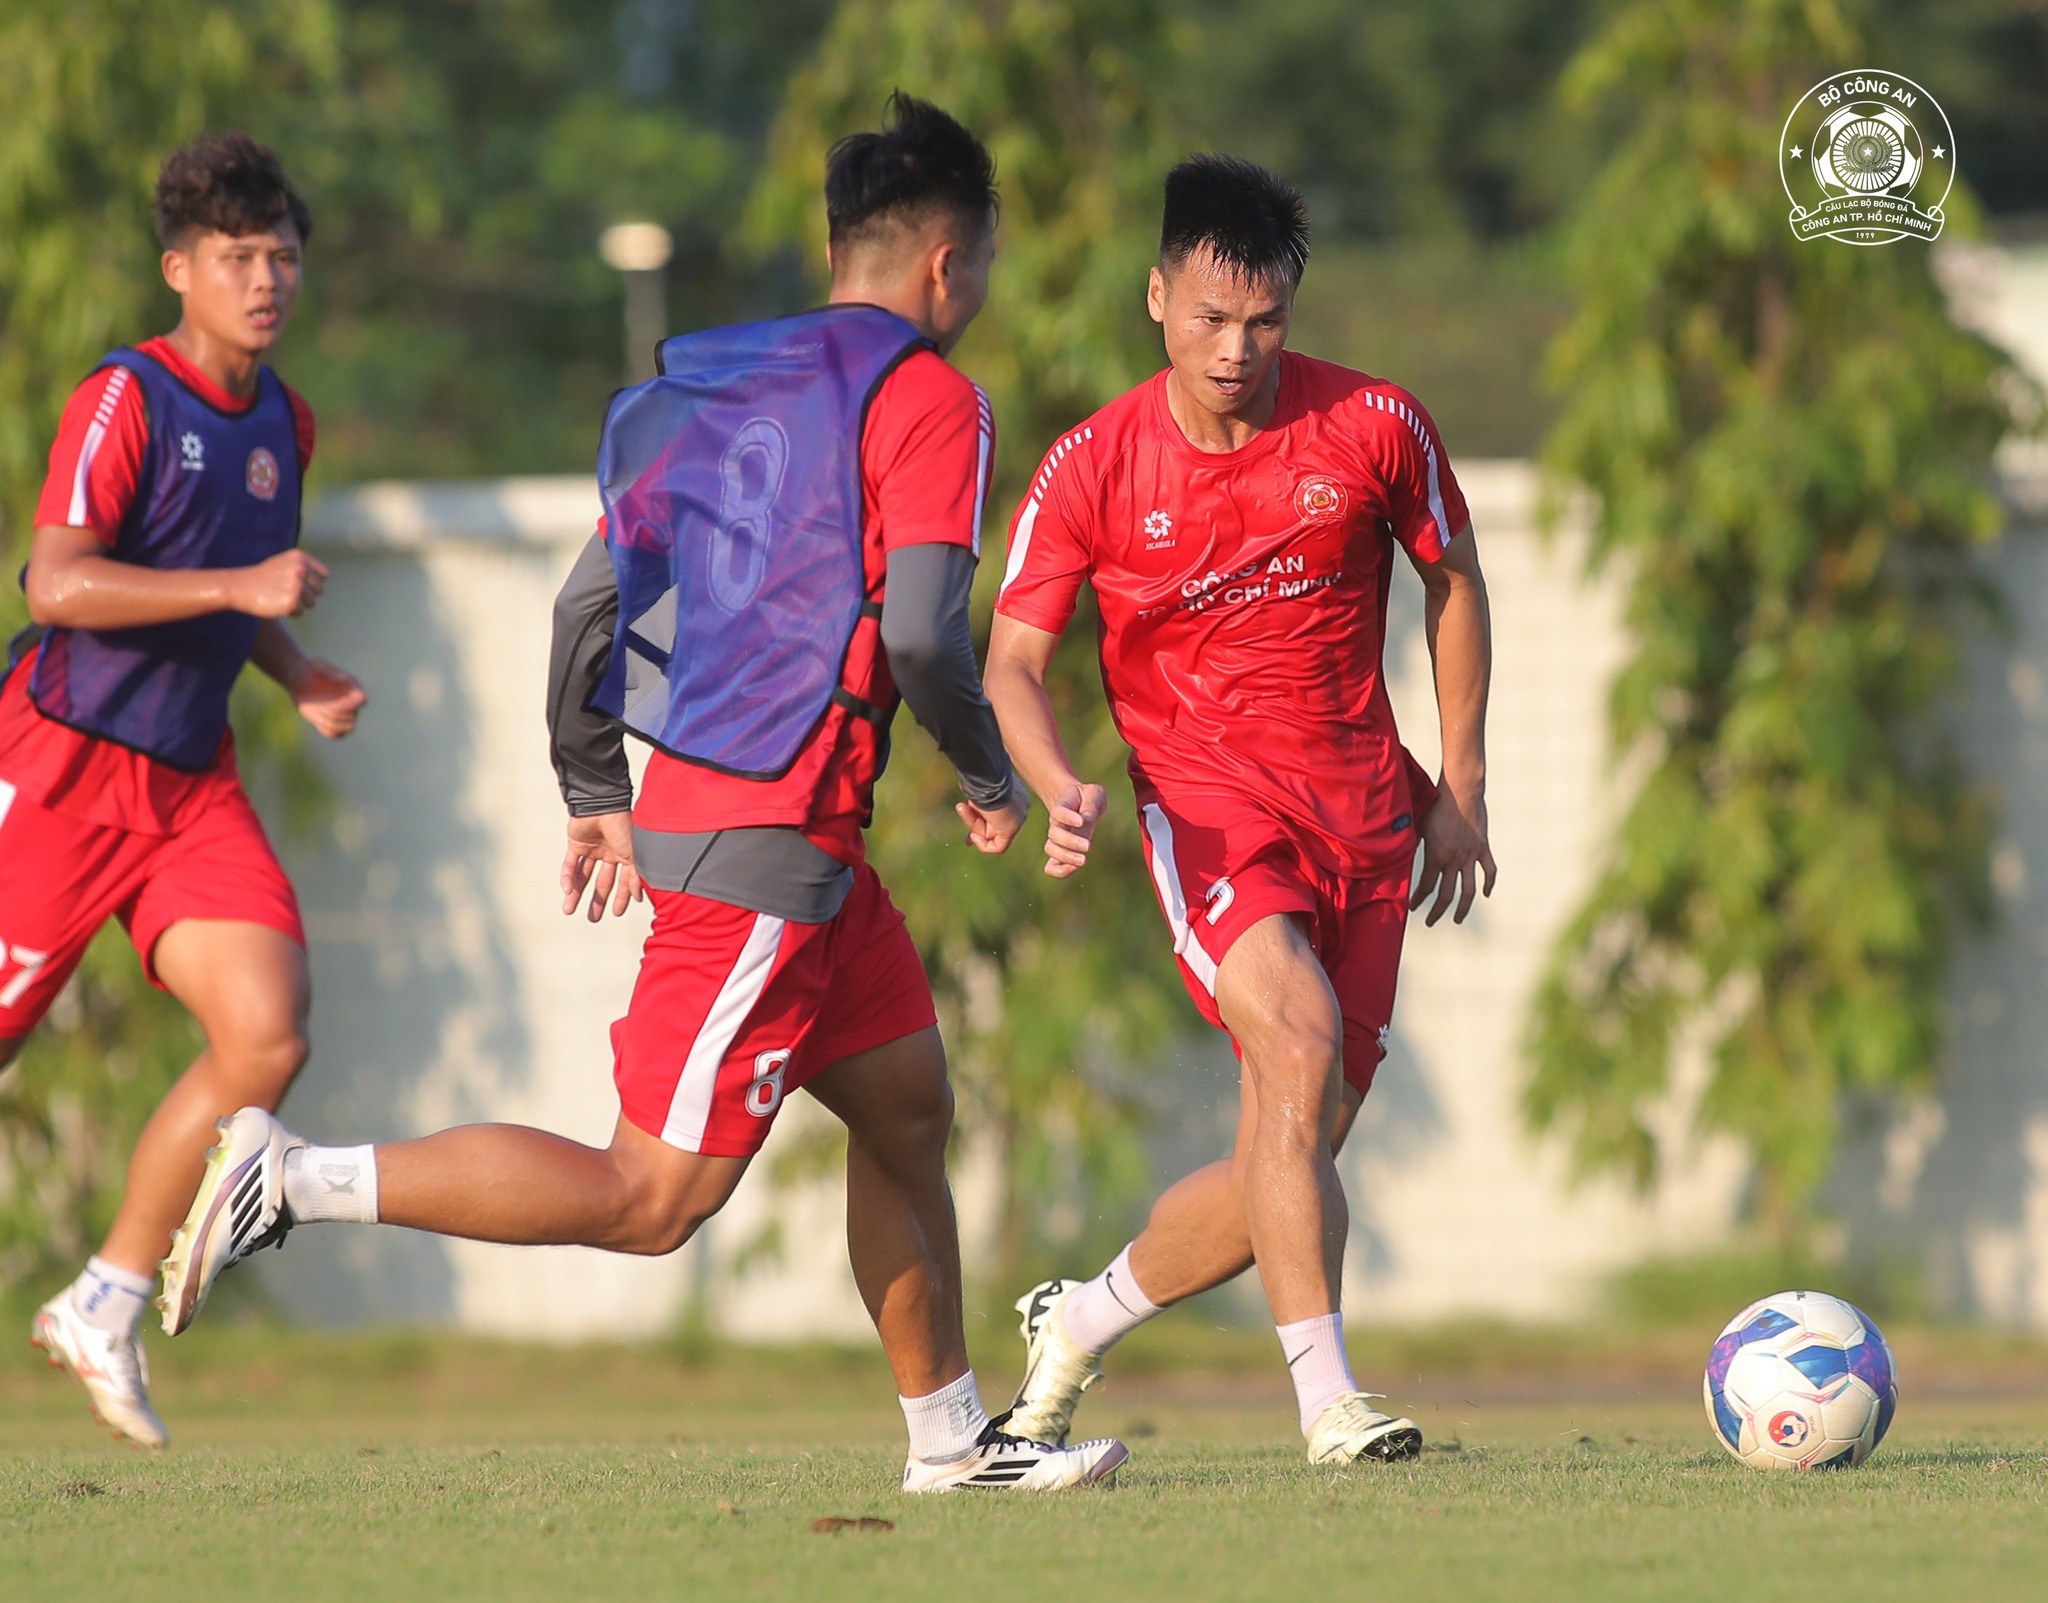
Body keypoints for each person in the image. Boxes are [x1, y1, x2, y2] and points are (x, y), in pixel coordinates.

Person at [162, 94, 1128, 1495]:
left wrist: (592, 780)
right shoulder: (931, 396)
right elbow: (924, 632)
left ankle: (950, 1445)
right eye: (978, 269)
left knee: (909, 1108)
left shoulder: (736, 387)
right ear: (946, 267)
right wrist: (988, 773)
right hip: (771, 836)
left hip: (780, 834)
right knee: (650, 1198)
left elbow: (592, 596)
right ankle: (295, 1178)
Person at [985, 154, 1496, 1464]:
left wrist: (1463, 782)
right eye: (1209, 317)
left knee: (1295, 1140)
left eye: (1263, 320)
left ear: (1291, 310)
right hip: (1210, 817)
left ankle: (1081, 1324)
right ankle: (1330, 1402)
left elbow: (1454, 581)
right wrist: (1054, 782)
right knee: (1302, 1043)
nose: (1235, 347)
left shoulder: (1376, 426)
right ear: (1157, 298)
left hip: (1370, 822)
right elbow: (1014, 663)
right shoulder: (1094, 464)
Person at [7, 132, 367, 1449]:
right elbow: (54, 583)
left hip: (184, 795)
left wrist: (295, 670)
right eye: (237, 257)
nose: (266, 278)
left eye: (283, 256)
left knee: (268, 1032)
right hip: (54, 779)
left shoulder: (287, 419)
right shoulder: (126, 398)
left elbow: (242, 578)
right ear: (180, 270)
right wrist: (241, 597)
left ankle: (103, 1299)